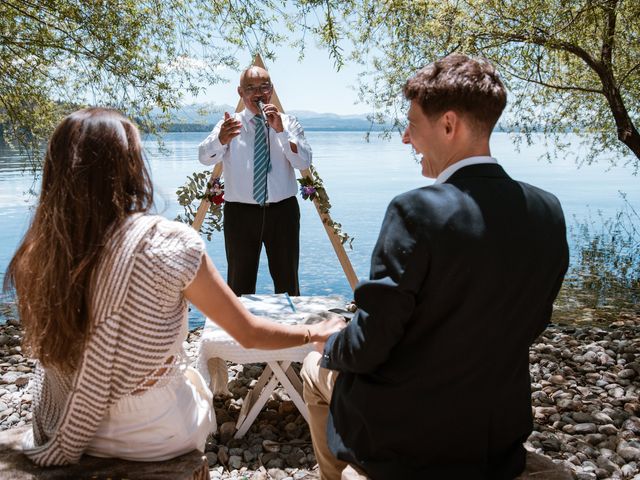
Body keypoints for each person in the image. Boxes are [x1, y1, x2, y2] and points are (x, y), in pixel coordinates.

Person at [4, 107, 344, 467]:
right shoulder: (169, 244)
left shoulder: (38, 249)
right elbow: (247, 332)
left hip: (62, 415)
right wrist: (313, 331)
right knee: (195, 393)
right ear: (131, 167)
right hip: (151, 429)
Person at [301, 54, 569, 479]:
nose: (406, 138)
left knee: (314, 369)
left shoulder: (415, 211)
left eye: (412, 124)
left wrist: (329, 343)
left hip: (406, 438)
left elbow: (371, 344)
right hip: (494, 432)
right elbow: (532, 321)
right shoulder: (547, 211)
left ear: (448, 125)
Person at [198, 66, 311, 296]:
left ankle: (289, 330)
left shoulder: (289, 123)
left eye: (264, 87)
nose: (258, 93)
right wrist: (220, 140)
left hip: (283, 213)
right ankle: (240, 332)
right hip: (240, 214)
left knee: (288, 283)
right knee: (239, 285)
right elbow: (204, 158)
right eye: (251, 88)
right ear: (240, 92)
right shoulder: (229, 124)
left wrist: (280, 131)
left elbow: (303, 162)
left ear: (272, 90)